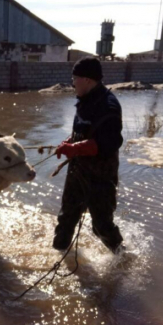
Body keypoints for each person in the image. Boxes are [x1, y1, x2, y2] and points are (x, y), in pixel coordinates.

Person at [53, 58, 124, 254]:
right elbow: (82, 132)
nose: (72, 82)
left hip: (100, 177)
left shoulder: (109, 106)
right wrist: (68, 143)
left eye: (74, 78)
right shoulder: (85, 99)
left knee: (101, 226)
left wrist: (74, 148)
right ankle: (59, 257)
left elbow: (105, 145)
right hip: (77, 171)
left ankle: (122, 258)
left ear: (86, 79)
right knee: (66, 218)